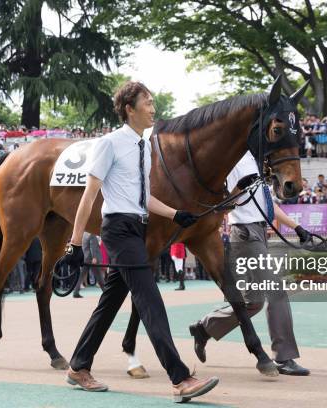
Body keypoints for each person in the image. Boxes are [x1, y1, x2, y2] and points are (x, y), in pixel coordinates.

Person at [64, 81, 219, 402]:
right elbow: (90, 195)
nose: (153, 108)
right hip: (118, 229)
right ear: (129, 109)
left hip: (137, 228)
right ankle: (180, 378)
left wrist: (176, 214)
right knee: (150, 300)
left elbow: (144, 196)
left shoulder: (143, 146)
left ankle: (78, 366)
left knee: (108, 304)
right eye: (147, 102)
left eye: (152, 102)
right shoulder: (109, 144)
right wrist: (75, 244)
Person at [188, 151, 311, 377]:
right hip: (244, 234)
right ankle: (284, 357)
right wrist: (239, 189)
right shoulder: (230, 159)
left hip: (259, 232)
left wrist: (297, 228)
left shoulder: (254, 161)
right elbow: (223, 207)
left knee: (253, 303)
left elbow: (268, 205)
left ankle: (204, 328)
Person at [73, 232, 104, 298]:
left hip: (85, 258)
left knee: (81, 276)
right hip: (91, 259)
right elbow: (93, 247)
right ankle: (106, 291)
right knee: (99, 276)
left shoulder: (84, 234)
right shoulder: (92, 234)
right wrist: (94, 257)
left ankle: (75, 292)